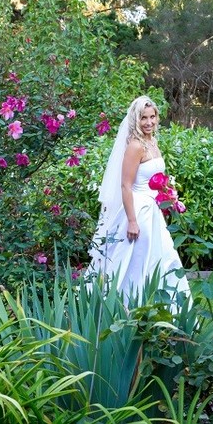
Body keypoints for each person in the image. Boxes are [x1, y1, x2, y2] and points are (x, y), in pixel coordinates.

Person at [88, 96, 190, 301]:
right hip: (138, 212)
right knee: (136, 263)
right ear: (136, 119)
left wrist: (170, 195)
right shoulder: (135, 146)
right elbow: (126, 185)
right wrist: (132, 221)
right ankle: (126, 305)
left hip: (153, 211)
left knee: (161, 258)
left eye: (153, 117)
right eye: (144, 118)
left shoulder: (152, 142)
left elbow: (156, 178)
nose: (149, 122)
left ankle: (164, 306)